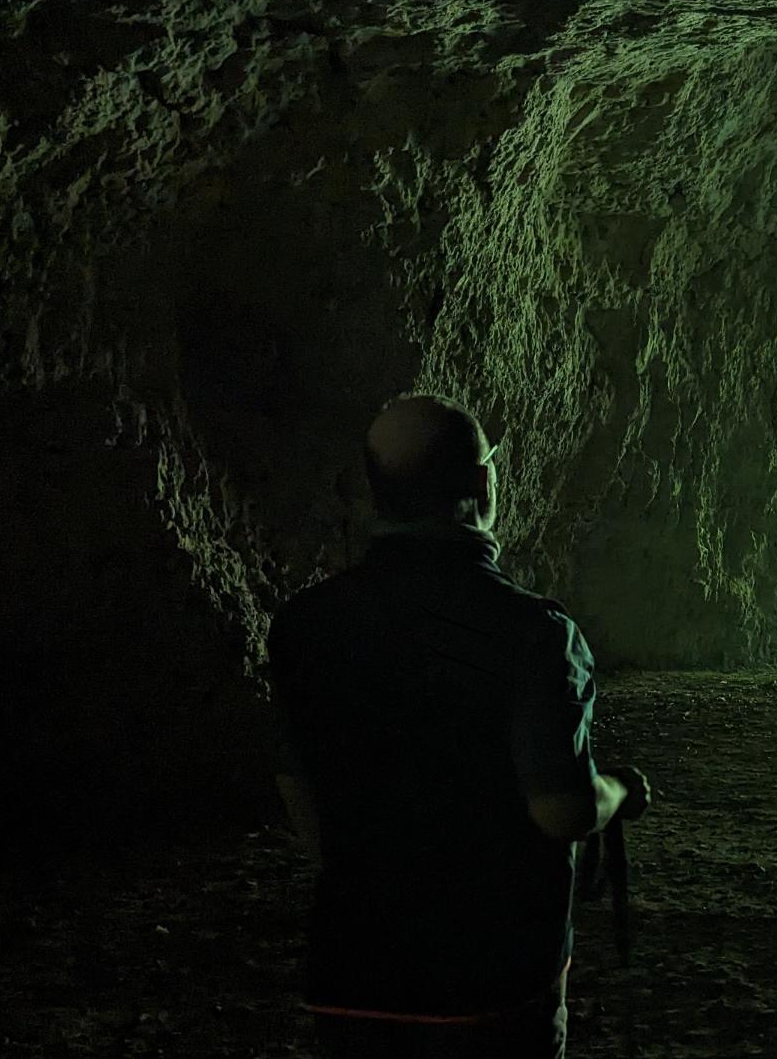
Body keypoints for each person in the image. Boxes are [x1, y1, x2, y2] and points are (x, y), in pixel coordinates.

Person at [268, 394, 649, 1058]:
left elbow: (300, 788)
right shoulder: (533, 634)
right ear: (481, 481)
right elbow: (561, 808)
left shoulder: (306, 624)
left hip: (353, 970)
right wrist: (619, 789)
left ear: (378, 491)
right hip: (492, 983)